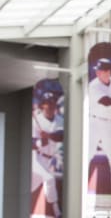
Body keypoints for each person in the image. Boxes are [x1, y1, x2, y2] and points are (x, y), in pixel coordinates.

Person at [88, 58, 111, 207]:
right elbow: (106, 101)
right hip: (94, 123)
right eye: (98, 70)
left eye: (102, 70)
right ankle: (79, 189)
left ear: (109, 71)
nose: (98, 72)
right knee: (86, 157)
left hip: (109, 124)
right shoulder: (93, 85)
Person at [32, 90, 63, 218]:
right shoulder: (36, 120)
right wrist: (40, 142)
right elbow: (31, 143)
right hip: (36, 158)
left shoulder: (59, 119)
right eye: (47, 103)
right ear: (42, 105)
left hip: (50, 159)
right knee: (49, 179)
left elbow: (61, 136)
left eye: (52, 103)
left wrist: (48, 135)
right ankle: (57, 213)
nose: (50, 105)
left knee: (32, 187)